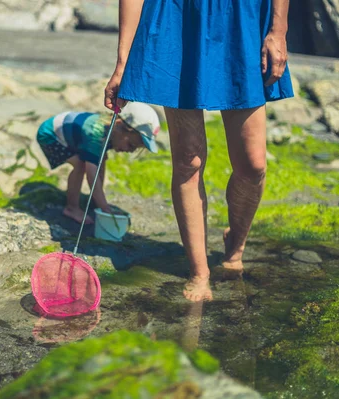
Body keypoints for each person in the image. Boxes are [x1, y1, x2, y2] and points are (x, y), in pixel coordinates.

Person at [104, 0, 293, 302]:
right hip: (177, 18)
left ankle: (236, 246)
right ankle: (199, 272)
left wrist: (278, 30)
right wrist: (123, 61)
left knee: (253, 164)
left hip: (240, 18)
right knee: (188, 160)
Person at [36, 102, 160, 224]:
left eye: (135, 149)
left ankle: (95, 201)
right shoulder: (95, 135)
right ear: (119, 125)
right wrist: (105, 208)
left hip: (71, 135)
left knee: (100, 160)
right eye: (130, 145)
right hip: (50, 135)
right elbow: (92, 176)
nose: (130, 151)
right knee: (80, 165)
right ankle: (71, 208)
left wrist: (99, 201)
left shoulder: (110, 131)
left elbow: (100, 165)